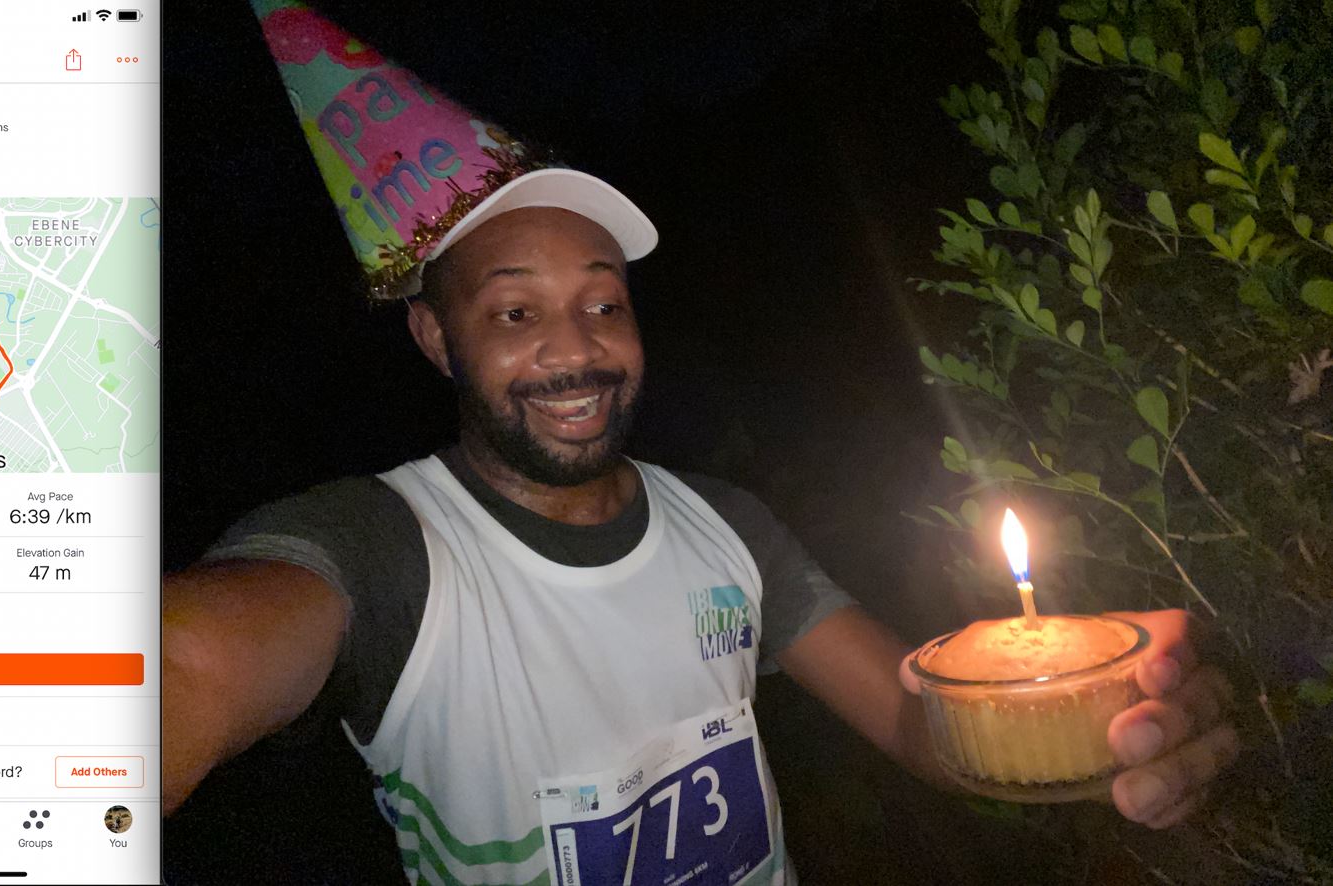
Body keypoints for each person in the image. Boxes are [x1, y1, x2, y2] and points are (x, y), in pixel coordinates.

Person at [164, 4, 1238, 883]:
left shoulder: (726, 524)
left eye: (603, 303)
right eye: (514, 313)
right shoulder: (382, 551)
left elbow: (919, 731)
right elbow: (178, 668)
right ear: (436, 338)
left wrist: (1078, 725)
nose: (576, 349)